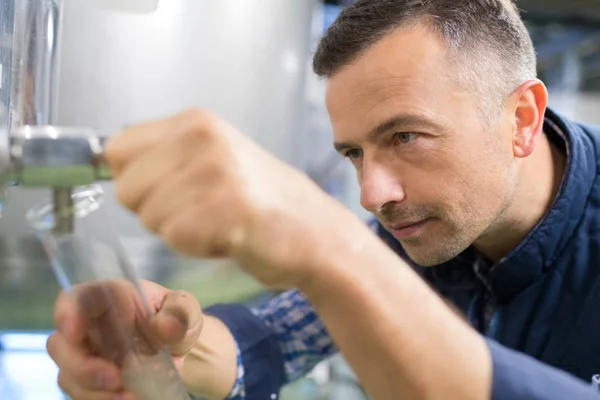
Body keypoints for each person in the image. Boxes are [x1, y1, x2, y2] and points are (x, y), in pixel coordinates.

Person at [47, 0, 600, 399]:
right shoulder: (424, 223)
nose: (372, 195)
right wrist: (165, 343)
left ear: (522, 120)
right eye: (355, 153)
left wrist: (330, 248)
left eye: (406, 137)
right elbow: (280, 338)